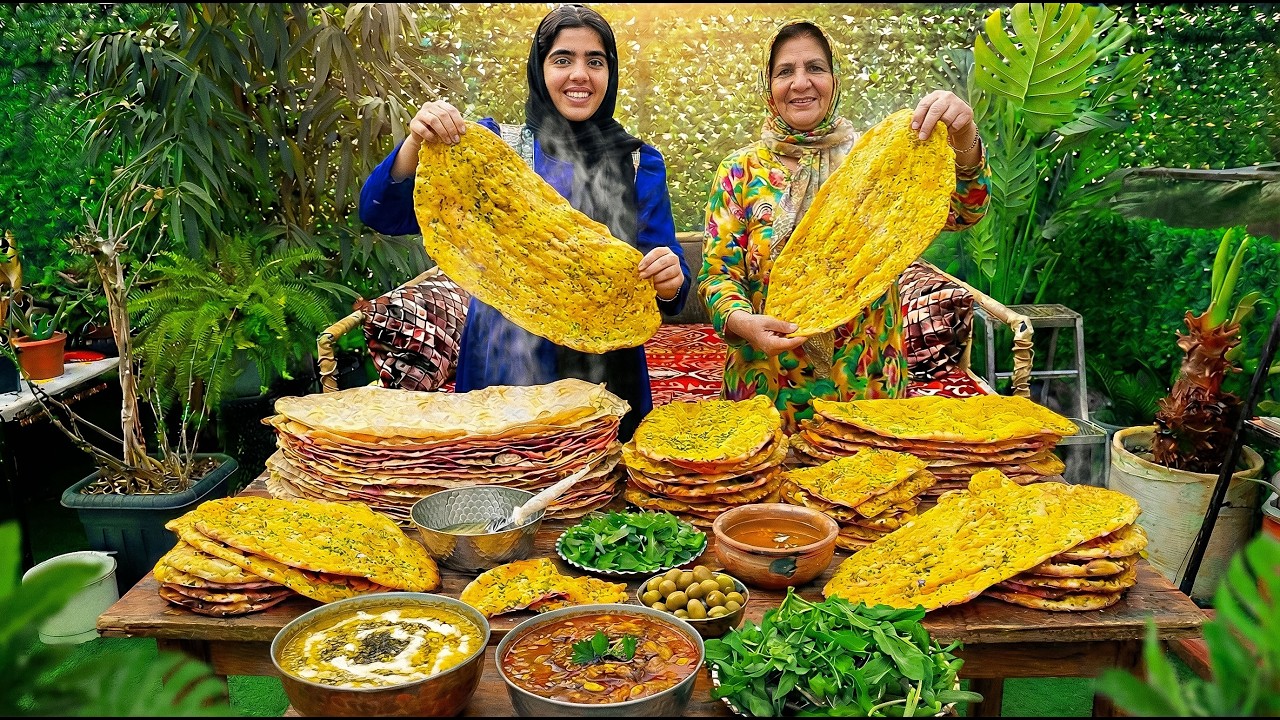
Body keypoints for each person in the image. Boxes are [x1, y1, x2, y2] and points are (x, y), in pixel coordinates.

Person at [359, 4, 690, 442]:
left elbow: (670, 279)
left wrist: (669, 277)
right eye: (562, 59)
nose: (580, 74)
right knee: (502, 487)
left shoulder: (638, 162)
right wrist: (417, 142)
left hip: (608, 367)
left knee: (600, 493)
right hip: (503, 357)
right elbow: (382, 212)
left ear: (611, 73)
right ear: (539, 68)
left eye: (595, 61)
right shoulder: (493, 148)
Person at [698, 19, 990, 433]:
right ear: (768, 87)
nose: (801, 83)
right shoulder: (740, 172)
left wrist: (963, 135)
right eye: (785, 71)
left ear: (836, 78)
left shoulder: (879, 161)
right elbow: (717, 275)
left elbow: (963, 213)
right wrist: (743, 322)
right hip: (767, 386)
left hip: (867, 382)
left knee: (866, 489)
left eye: (815, 68)